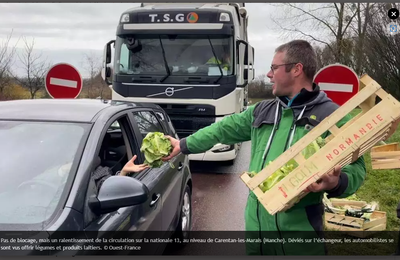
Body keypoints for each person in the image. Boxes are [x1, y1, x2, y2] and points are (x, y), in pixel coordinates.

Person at [161, 40, 367, 255]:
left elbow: (358, 167)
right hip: (256, 237)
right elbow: (221, 130)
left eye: (274, 68)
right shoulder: (261, 111)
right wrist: (183, 145)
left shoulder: (332, 116)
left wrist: (336, 182)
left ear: (296, 69)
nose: (269, 75)